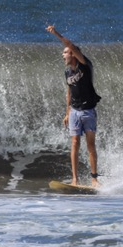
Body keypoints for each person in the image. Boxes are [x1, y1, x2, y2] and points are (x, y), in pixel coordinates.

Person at [46, 24, 101, 187]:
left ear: (73, 55)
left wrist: (56, 33)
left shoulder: (85, 65)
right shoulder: (67, 72)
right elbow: (69, 92)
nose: (63, 56)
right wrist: (67, 112)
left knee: (90, 145)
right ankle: (75, 179)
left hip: (88, 111)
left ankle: (94, 178)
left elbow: (70, 45)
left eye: (65, 53)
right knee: (75, 143)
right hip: (75, 112)